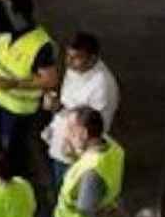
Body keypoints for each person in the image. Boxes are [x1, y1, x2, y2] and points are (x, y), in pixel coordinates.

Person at [0, 0, 58, 179]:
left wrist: (16, 84)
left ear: (18, 14)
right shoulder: (2, 31)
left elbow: (50, 80)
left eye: (5, 11)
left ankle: (10, 180)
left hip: (17, 111)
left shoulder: (41, 44)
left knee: (11, 152)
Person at [42, 32, 121, 197]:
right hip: (62, 141)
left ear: (92, 59)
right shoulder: (76, 68)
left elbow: (95, 127)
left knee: (69, 193)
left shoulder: (102, 86)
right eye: (67, 56)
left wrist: (59, 109)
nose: (69, 62)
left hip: (75, 152)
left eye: (76, 58)